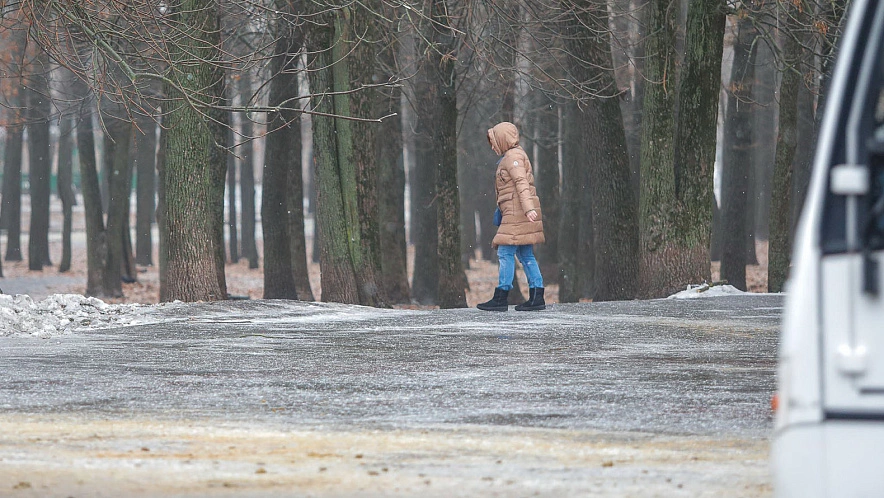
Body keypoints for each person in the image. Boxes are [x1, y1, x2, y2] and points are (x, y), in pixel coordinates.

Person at [477, 121, 546, 312]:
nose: (493, 147)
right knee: (525, 254)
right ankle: (537, 295)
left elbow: (521, 182)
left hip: (517, 213)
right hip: (517, 211)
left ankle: (501, 296)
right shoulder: (515, 155)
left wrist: (528, 208)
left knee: (504, 252)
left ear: (503, 139)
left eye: (494, 142)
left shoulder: (513, 157)